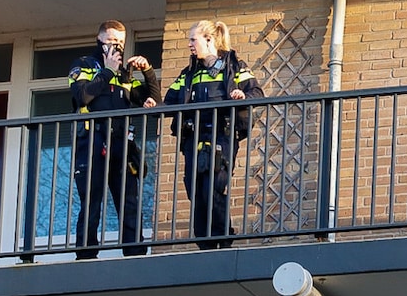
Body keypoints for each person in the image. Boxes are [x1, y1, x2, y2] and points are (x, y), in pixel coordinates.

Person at [164, 20, 263, 249]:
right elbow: (170, 100)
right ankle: (205, 243)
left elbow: (256, 91)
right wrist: (154, 104)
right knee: (195, 190)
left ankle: (222, 238)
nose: (189, 44)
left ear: (209, 39)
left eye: (193, 39)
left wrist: (241, 96)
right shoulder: (189, 73)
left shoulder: (234, 67)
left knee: (213, 187)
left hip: (222, 135)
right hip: (194, 137)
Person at [68, 20, 160, 259]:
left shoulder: (124, 74)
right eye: (110, 42)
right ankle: (86, 254)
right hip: (92, 142)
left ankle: (135, 253)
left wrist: (147, 70)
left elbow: (154, 100)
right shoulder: (83, 65)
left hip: (122, 145)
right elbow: (82, 96)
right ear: (99, 41)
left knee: (130, 203)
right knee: (92, 202)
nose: (116, 47)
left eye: (120, 42)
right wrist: (106, 70)